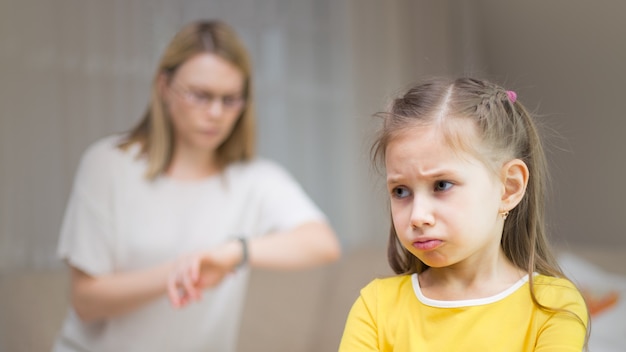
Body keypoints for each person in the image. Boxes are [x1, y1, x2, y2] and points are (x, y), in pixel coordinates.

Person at [53, 20, 341, 352]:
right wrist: (179, 271)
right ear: (164, 87)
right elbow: (86, 301)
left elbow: (323, 243)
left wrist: (234, 253)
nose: (216, 113)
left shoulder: (254, 179)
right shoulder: (108, 164)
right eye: (200, 95)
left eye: (230, 99)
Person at [339, 77, 589, 351]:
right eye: (401, 191)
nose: (417, 216)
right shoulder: (375, 306)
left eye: (442, 185)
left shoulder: (555, 306)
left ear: (509, 188)